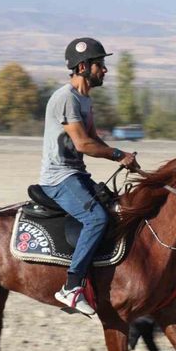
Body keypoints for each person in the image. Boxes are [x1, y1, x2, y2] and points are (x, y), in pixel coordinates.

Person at [39, 37, 139, 315]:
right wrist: (119, 155)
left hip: (77, 173)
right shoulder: (66, 99)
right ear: (83, 67)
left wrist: (123, 158)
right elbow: (83, 144)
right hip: (59, 178)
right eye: (100, 65)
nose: (104, 70)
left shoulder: (84, 100)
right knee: (96, 218)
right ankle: (70, 287)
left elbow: (93, 138)